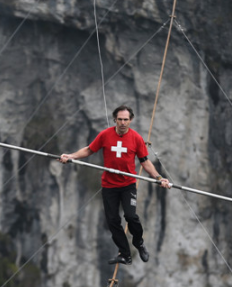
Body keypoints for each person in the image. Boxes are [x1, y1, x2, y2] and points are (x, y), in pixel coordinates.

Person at [60, 105, 170, 265]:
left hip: (128, 185)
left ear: (130, 120)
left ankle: (139, 243)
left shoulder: (136, 138)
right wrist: (71, 156)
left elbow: (145, 162)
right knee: (112, 221)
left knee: (131, 217)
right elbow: (90, 150)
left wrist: (160, 178)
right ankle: (125, 254)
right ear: (115, 120)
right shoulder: (105, 135)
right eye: (120, 119)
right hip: (109, 186)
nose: (123, 123)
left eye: (126, 119)